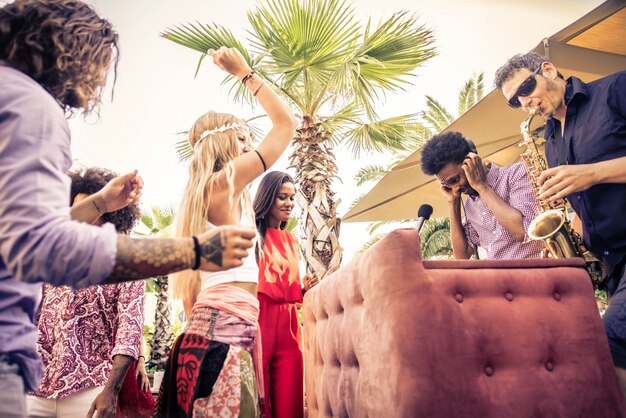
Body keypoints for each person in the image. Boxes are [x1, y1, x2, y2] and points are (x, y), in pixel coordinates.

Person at [0, 1, 255, 415]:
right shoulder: (33, 108)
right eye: (101, 63)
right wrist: (195, 251)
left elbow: (15, 232)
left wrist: (100, 202)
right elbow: (42, 245)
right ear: (73, 51)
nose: (100, 82)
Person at [155, 47, 297, 417]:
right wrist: (245, 73)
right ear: (222, 143)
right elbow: (286, 125)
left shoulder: (209, 197)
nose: (252, 145)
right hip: (222, 339)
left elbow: (191, 293)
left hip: (212, 335)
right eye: (243, 138)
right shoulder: (223, 184)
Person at [495, 52, 626, 399]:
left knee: (610, 339)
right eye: (515, 102)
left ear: (548, 70)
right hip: (612, 263)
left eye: (526, 88)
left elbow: (589, 179)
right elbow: (579, 202)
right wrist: (572, 237)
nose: (525, 103)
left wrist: (593, 173)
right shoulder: (550, 141)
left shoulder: (616, 89)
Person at [26, 167, 153, 418]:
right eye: (76, 209)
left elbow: (129, 331)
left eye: (93, 208)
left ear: (112, 215)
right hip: (35, 387)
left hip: (89, 387)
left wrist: (111, 391)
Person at [252, 171, 318, 418]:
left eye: (292, 197)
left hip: (290, 328)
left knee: (290, 401)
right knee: (258, 402)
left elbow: (286, 288)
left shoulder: (291, 240)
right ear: (268, 197)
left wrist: (303, 289)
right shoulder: (251, 237)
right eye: (282, 197)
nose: (289, 203)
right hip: (258, 323)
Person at [420, 131, 544, 260]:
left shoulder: (516, 174)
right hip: (498, 278)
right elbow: (462, 257)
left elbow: (523, 231)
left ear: (472, 161)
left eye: (455, 180)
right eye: (447, 185)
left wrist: (482, 187)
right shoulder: (469, 206)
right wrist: (453, 203)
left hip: (534, 274)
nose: (455, 189)